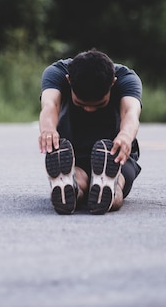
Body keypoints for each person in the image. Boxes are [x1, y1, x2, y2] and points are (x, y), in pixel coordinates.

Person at [38, 49, 143, 215]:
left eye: (99, 104)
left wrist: (125, 136)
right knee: (77, 175)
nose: (89, 109)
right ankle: (72, 188)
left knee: (117, 178)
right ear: (69, 80)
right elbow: (50, 105)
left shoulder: (127, 79)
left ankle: (107, 189)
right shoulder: (57, 73)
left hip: (115, 152)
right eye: (80, 103)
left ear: (113, 83)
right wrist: (48, 129)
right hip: (72, 151)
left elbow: (130, 113)